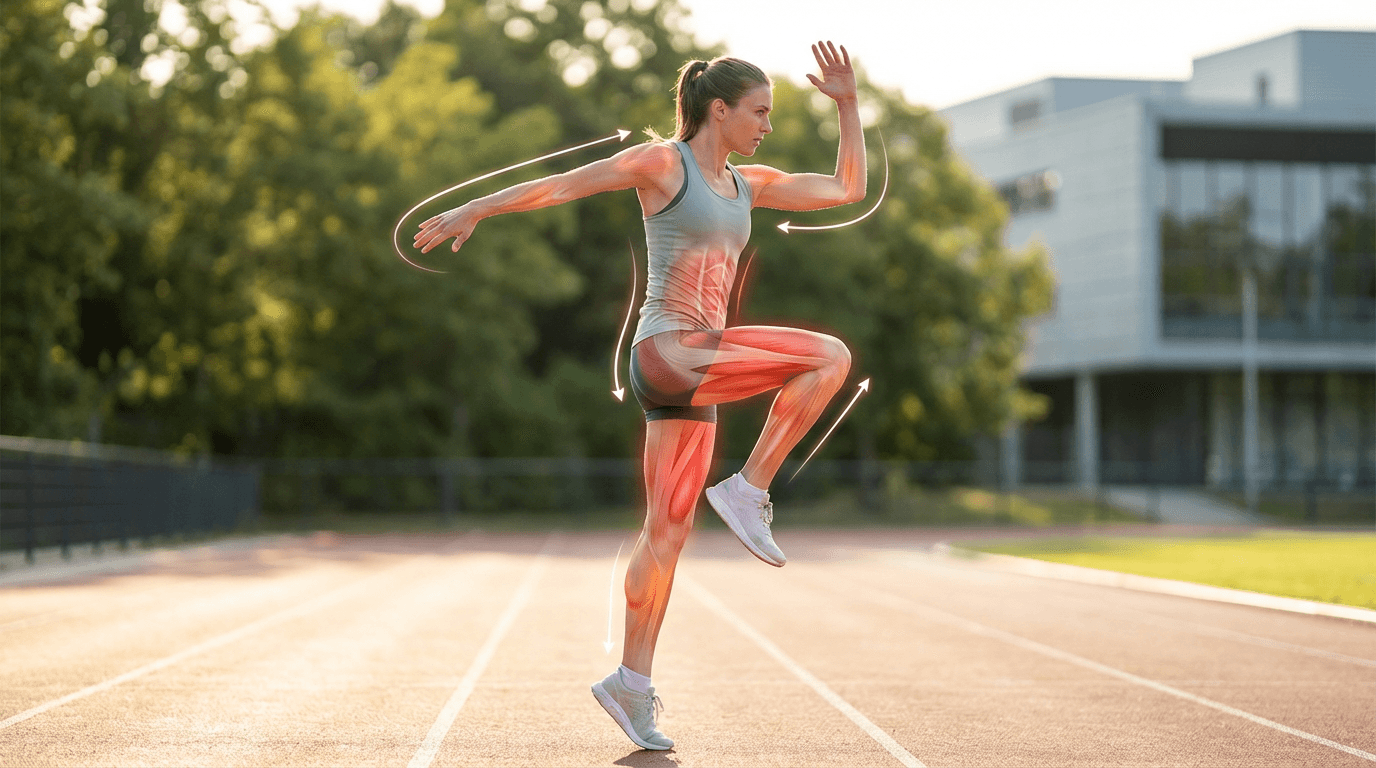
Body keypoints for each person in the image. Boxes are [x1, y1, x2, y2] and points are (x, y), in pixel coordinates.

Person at [413, 41, 865, 752]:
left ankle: (630, 680)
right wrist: (477, 207)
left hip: (695, 376)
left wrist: (848, 106)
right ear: (719, 110)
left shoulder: (750, 185)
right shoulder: (664, 164)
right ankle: (749, 489)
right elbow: (564, 183)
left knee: (668, 535)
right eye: (759, 112)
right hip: (669, 351)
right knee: (829, 356)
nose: (767, 127)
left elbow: (845, 189)